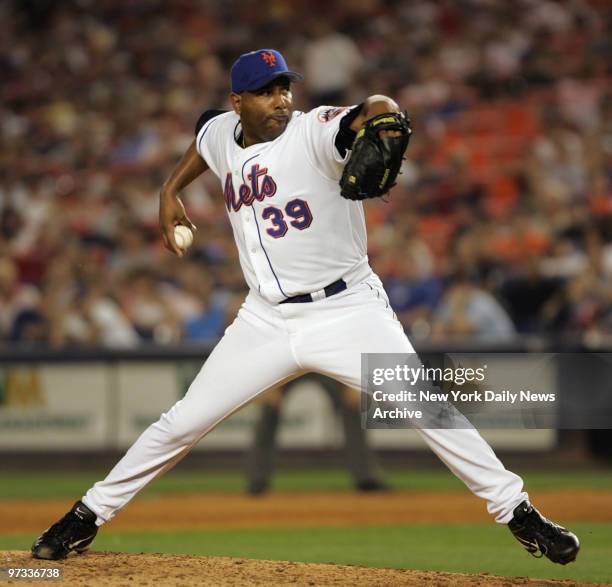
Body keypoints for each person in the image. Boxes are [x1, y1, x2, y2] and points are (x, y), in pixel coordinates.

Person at [32, 48, 579, 566]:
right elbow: (205, 138)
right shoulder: (224, 132)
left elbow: (371, 111)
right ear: (238, 101)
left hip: (347, 310)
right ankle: (86, 515)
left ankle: (520, 514)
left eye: (283, 88)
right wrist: (168, 190)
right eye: (265, 92)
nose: (280, 100)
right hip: (265, 319)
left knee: (428, 408)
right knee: (180, 424)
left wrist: (385, 118)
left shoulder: (313, 131)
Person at [246, 376, 388, 495]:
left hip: (324, 357)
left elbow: (344, 344)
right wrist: (268, 382)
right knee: (269, 407)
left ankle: (366, 478)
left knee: (352, 405)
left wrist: (353, 381)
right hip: (290, 355)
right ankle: (258, 479)